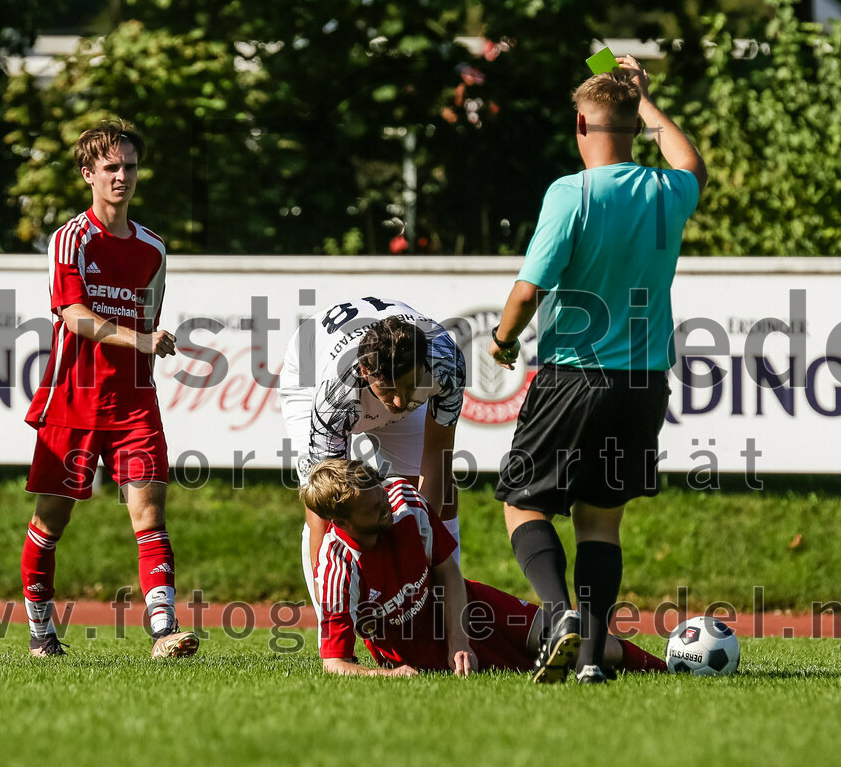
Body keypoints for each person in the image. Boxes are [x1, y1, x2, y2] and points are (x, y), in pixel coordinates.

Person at [488, 56, 707, 684]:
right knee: (600, 519)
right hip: (643, 385)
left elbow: (529, 291)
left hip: (574, 377)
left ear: (582, 124)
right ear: (632, 126)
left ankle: (559, 615)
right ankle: (591, 662)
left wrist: (503, 341)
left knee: (523, 504)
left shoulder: (570, 193)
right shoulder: (667, 193)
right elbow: (691, 164)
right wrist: (645, 100)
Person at [20, 119, 199, 659]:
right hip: (72, 399)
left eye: (131, 166)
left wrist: (143, 346)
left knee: (150, 517)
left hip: (133, 403)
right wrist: (141, 340)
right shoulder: (71, 239)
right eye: (111, 167)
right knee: (50, 522)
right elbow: (72, 316)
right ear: (88, 175)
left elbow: (149, 313)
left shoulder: (153, 248)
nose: (123, 176)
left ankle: (164, 631)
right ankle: (40, 630)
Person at [302, 459, 666, 678]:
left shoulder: (403, 499)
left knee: (590, 646)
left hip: (471, 607)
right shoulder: (337, 568)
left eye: (381, 493)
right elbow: (335, 663)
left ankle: (673, 669)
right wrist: (391, 677)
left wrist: (459, 640)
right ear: (341, 520)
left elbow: (447, 572)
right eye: (374, 509)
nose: (386, 506)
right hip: (418, 652)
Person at [277, 298, 465, 611]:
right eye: (389, 389)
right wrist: (336, 631)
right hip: (310, 376)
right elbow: (322, 512)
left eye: (409, 386)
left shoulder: (445, 363)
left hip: (375, 373)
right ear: (366, 371)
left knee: (439, 490)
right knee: (333, 501)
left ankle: (441, 606)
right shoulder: (334, 396)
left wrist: (418, 555)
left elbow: (437, 458)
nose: (400, 401)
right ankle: (332, 616)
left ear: (423, 365)